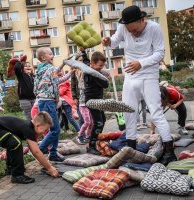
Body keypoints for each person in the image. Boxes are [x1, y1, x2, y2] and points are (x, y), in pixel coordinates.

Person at [102, 5, 176, 165]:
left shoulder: (155, 28)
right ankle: (131, 150)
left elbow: (160, 53)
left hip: (149, 75)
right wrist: (108, 41)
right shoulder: (123, 26)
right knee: (129, 112)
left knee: (155, 113)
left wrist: (141, 63)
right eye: (130, 31)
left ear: (143, 20)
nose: (132, 33)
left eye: (135, 30)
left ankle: (169, 151)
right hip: (130, 75)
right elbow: (114, 42)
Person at [0, 112, 59, 184]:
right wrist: (49, 168)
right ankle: (17, 175)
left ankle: (11, 170)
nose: (45, 132)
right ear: (38, 125)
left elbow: (35, 148)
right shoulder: (28, 129)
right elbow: (36, 152)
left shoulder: (30, 127)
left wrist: (45, 164)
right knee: (16, 143)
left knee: (13, 144)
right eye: (45, 129)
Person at [33, 47, 68, 162]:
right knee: (55, 129)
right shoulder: (51, 68)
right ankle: (42, 149)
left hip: (41, 101)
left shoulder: (38, 70)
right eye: (50, 53)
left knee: (51, 128)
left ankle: (52, 152)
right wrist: (57, 97)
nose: (53, 55)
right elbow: (54, 83)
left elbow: (35, 88)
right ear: (44, 57)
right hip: (49, 101)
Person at [84, 52, 109, 155]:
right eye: (100, 66)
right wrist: (104, 77)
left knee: (102, 119)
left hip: (98, 100)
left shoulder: (93, 71)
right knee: (98, 122)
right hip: (92, 101)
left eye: (102, 66)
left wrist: (83, 52)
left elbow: (85, 61)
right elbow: (105, 84)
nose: (101, 68)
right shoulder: (92, 74)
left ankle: (96, 141)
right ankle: (91, 145)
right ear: (93, 64)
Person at [74, 56, 94, 144]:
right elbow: (75, 86)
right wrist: (74, 97)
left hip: (89, 100)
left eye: (83, 60)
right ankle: (79, 135)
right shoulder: (78, 71)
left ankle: (87, 137)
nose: (82, 62)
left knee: (92, 122)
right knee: (87, 121)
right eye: (80, 60)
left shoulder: (87, 70)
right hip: (82, 102)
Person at [57, 70, 80, 135]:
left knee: (70, 118)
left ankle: (80, 131)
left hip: (66, 102)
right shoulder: (58, 81)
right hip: (60, 102)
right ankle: (58, 130)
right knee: (60, 117)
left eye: (60, 72)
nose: (59, 73)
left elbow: (60, 92)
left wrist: (54, 90)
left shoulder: (64, 82)